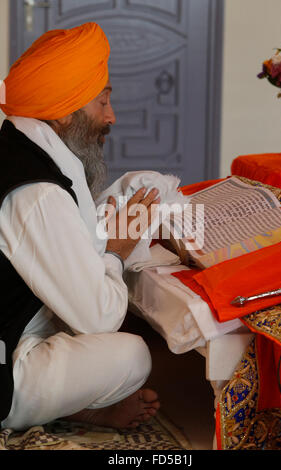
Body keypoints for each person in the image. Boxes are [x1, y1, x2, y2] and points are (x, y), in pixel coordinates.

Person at [0, 22, 161, 431]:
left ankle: (67, 405)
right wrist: (116, 250)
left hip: (13, 327)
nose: (111, 116)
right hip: (6, 361)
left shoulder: (18, 148)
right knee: (132, 355)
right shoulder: (37, 192)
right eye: (101, 102)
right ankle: (49, 407)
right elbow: (99, 319)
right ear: (64, 111)